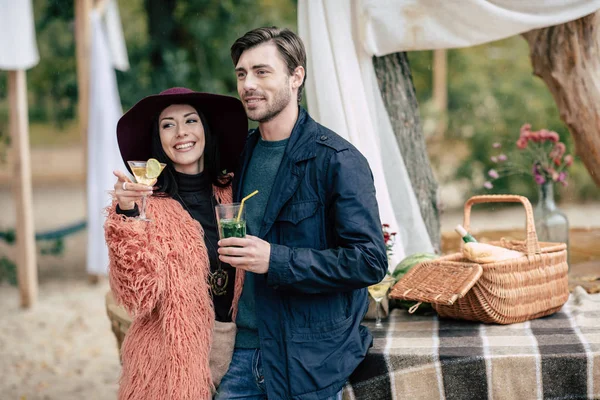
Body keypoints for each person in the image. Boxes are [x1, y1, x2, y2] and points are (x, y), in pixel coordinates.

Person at [215, 27, 388, 400]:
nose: (248, 84)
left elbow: (370, 261)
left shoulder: (338, 161)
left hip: (306, 361)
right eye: (242, 74)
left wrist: (275, 259)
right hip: (240, 355)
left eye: (262, 72)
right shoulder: (236, 157)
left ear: (296, 76)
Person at [104, 87, 248, 400]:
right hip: (169, 365)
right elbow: (136, 295)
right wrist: (128, 216)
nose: (181, 132)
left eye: (190, 121)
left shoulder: (234, 194)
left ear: (206, 130)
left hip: (240, 359)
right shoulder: (147, 205)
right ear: (159, 139)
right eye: (168, 124)